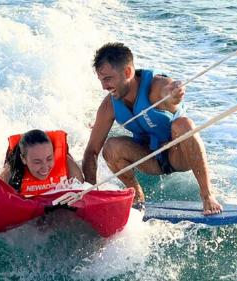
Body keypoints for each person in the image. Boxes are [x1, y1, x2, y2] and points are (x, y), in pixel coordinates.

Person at [82, 42, 222, 215]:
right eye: (101, 80)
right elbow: (91, 152)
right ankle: (136, 197)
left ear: (127, 72)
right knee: (110, 147)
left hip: (178, 154)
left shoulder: (156, 87)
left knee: (184, 124)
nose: (104, 86)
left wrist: (174, 94)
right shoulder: (109, 105)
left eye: (108, 79)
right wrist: (88, 197)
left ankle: (207, 195)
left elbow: (169, 94)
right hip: (150, 159)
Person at [0, 129, 84, 228]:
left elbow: (84, 198)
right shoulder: (10, 174)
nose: (45, 167)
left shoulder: (67, 164)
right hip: (28, 220)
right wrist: (29, 209)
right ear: (23, 159)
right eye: (37, 162)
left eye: (49, 158)